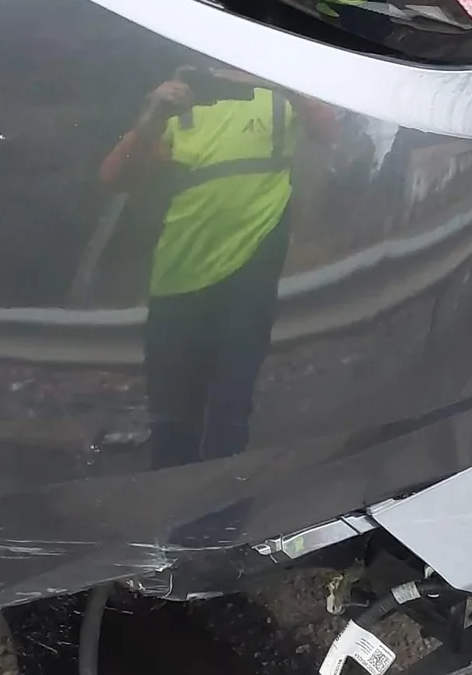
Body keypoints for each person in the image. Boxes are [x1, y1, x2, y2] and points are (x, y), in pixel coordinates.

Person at [100, 69, 333, 468]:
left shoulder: (278, 98)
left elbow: (327, 132)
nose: (223, 73)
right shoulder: (180, 106)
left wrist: (284, 81)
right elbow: (115, 179)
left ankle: (222, 496)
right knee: (171, 413)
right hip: (177, 276)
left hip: (249, 270)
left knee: (230, 405)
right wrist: (152, 117)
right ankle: (170, 493)